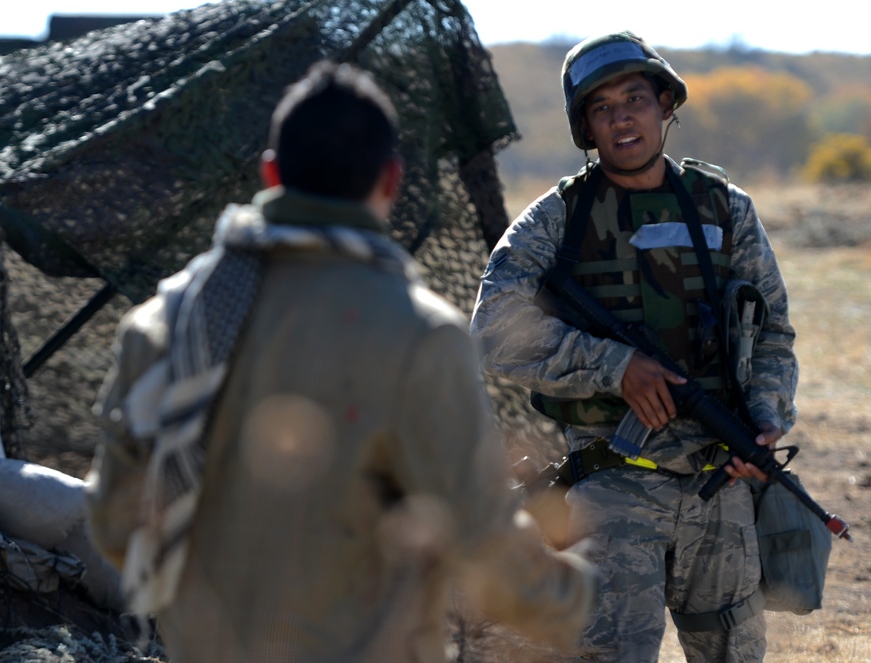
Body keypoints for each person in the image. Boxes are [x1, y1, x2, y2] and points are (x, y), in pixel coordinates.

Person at [85, 59, 596, 663]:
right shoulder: (420, 335)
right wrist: (580, 590)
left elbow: (115, 529)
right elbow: (485, 551)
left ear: (271, 173)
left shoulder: (165, 324)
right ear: (391, 182)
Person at [470, 31, 799, 662]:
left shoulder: (726, 209)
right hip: (611, 489)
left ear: (666, 104)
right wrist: (615, 367)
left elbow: (773, 332)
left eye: (636, 98)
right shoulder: (556, 219)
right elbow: (493, 330)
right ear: (585, 128)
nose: (622, 117)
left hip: (719, 485)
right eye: (601, 107)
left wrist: (763, 420)